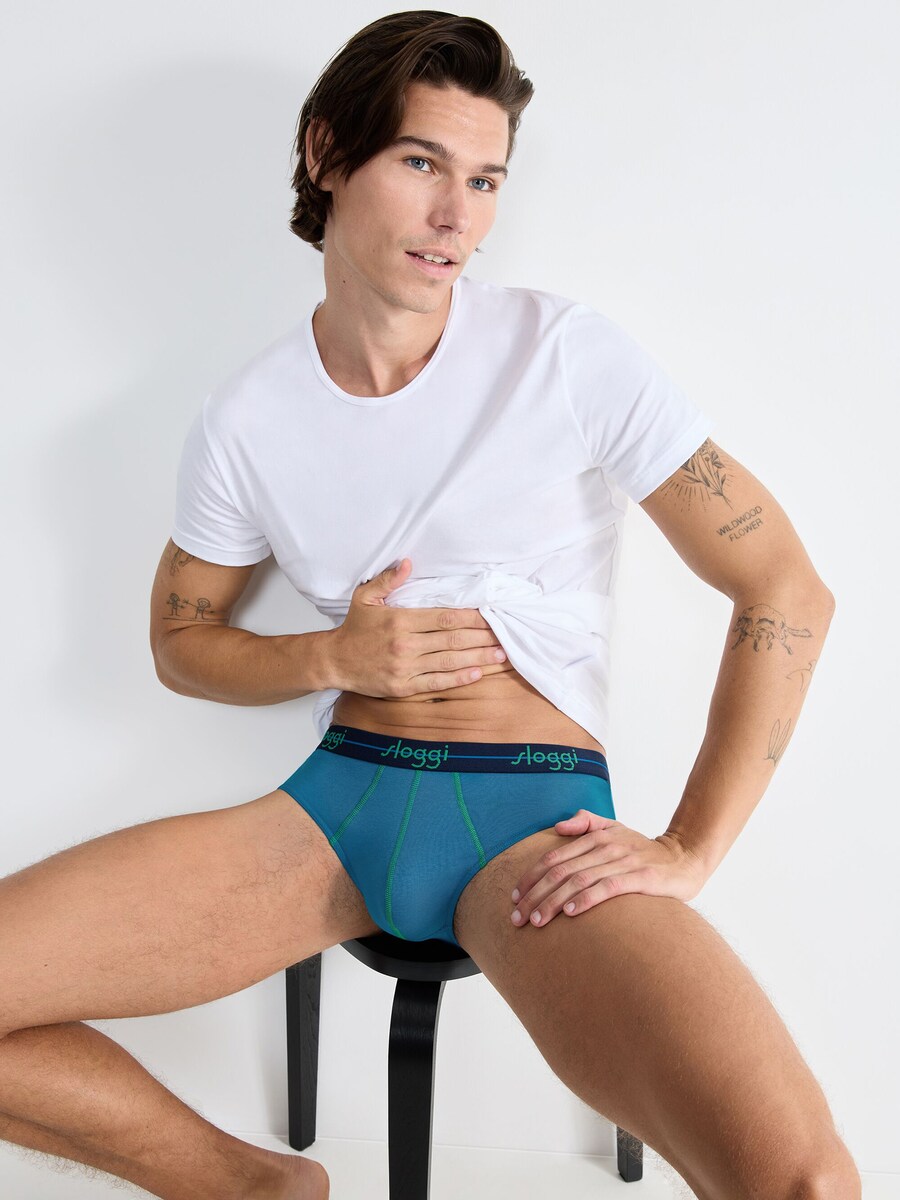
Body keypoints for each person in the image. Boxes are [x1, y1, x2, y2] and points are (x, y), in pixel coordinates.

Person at [0, 12, 859, 1200]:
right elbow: (180, 642)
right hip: (332, 816)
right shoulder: (248, 419)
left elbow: (785, 589)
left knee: (801, 1182)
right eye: (421, 163)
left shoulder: (564, 354)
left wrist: (689, 849)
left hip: (533, 832)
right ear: (326, 153)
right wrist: (331, 656)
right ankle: (247, 1186)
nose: (458, 215)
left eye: (486, 179)